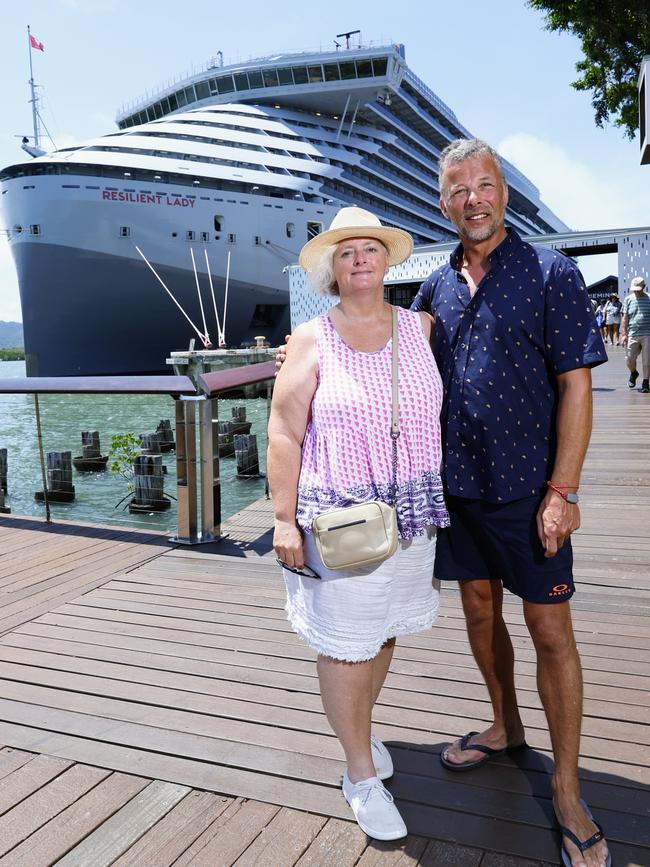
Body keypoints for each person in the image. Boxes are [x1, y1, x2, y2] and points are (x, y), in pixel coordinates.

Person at [411, 139, 610, 867]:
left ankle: (566, 788)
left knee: (550, 630)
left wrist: (564, 490)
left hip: (531, 488)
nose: (473, 198)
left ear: (504, 193)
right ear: (443, 203)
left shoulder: (552, 273)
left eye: (484, 184)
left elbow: (578, 386)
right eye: (458, 189)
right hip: (457, 488)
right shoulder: (434, 288)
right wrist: (305, 351)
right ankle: (505, 725)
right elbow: (389, 358)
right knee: (478, 611)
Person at [267, 207, 450, 841]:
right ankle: (358, 773)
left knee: (383, 631)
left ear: (388, 260)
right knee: (347, 645)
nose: (360, 260)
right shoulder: (312, 338)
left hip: (412, 513)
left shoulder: (422, 327)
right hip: (341, 518)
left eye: (370, 249)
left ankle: (362, 740)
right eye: (346, 254)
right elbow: (285, 433)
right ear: (331, 269)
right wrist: (284, 521)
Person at [620, 276, 650, 393]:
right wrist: (624, 334)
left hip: (648, 333)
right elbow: (625, 318)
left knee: (647, 360)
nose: (636, 291)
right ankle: (634, 372)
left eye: (638, 289)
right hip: (632, 333)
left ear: (644, 287)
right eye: (634, 289)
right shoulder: (628, 299)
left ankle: (646, 382)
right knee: (629, 359)